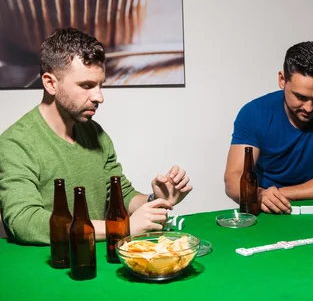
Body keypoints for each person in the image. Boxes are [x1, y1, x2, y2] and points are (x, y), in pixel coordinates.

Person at [0, 28, 192, 245]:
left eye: (100, 85)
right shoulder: (15, 143)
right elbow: (25, 221)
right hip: (54, 267)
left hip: (102, 259)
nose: (99, 96)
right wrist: (121, 227)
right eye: (86, 86)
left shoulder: (96, 133)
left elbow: (120, 195)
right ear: (50, 83)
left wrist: (156, 200)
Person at [224, 41, 313, 214]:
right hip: (267, 212)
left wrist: (277, 195)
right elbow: (233, 179)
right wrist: (259, 195)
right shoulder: (254, 113)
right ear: (282, 80)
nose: (309, 107)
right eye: (300, 96)